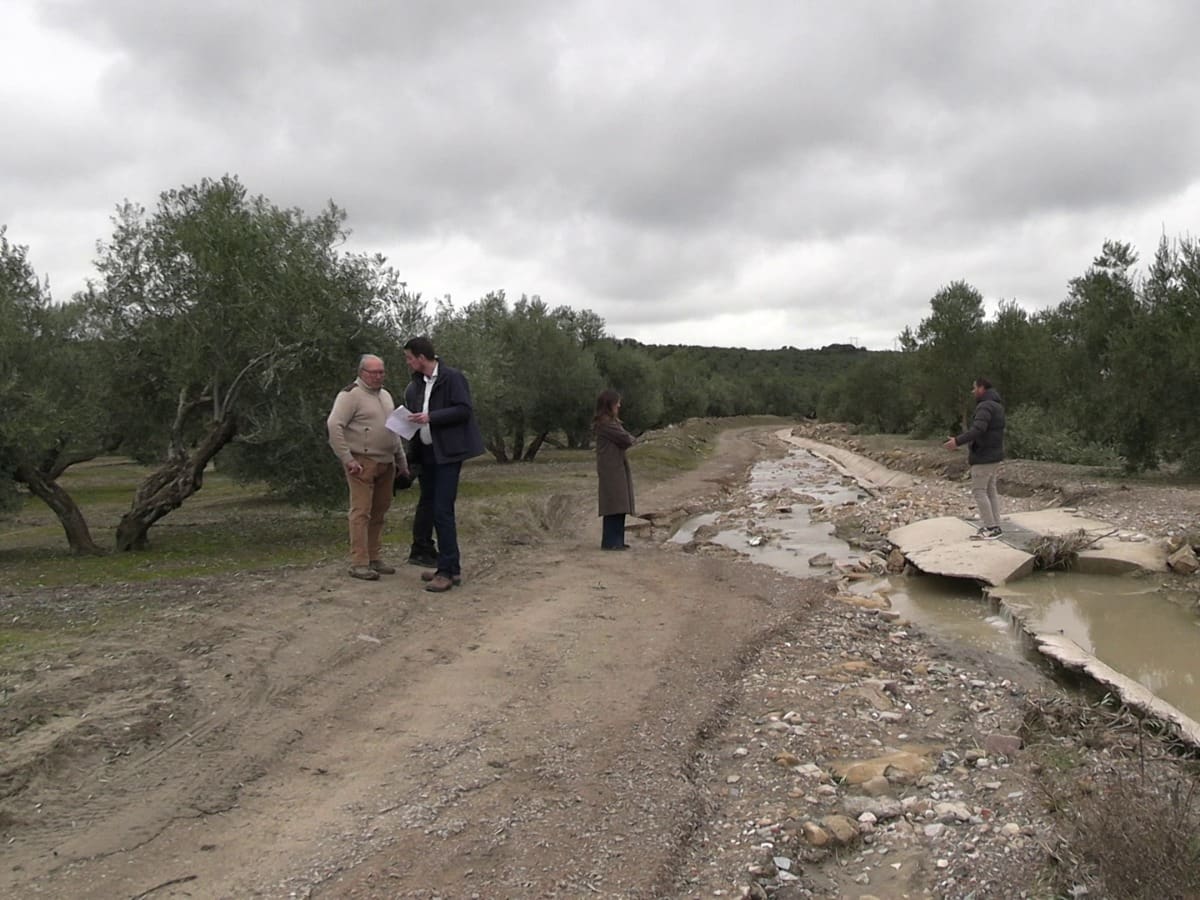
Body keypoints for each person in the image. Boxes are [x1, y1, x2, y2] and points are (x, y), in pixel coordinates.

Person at [402, 336, 485, 592]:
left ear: (421, 357)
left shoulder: (452, 378)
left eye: (409, 358)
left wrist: (431, 417)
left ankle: (447, 571)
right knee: (430, 506)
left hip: (448, 454)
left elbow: (463, 410)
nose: (407, 363)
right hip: (426, 454)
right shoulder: (416, 385)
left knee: (442, 510)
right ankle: (450, 566)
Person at [326, 354, 410, 579]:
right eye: (373, 372)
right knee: (361, 512)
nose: (378, 376)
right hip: (361, 463)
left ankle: (374, 557)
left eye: (381, 372)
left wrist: (401, 461)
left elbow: (394, 431)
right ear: (362, 372)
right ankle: (359, 562)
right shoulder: (350, 395)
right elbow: (334, 425)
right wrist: (347, 458)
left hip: (386, 462)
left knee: (379, 512)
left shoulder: (385, 395)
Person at [944, 377, 1006, 540]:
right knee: (990, 491)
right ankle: (995, 526)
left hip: (984, 456)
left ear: (981, 388)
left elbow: (978, 429)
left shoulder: (984, 406)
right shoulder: (997, 406)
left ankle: (991, 528)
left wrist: (957, 441)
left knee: (979, 491)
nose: (972, 391)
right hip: (994, 455)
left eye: (974, 388)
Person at [593, 389, 635, 550]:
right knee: (614, 505)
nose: (619, 405)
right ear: (609, 404)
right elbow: (626, 439)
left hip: (614, 468)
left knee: (619, 505)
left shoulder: (609, 422)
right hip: (611, 469)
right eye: (617, 402)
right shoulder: (606, 424)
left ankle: (617, 541)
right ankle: (611, 542)